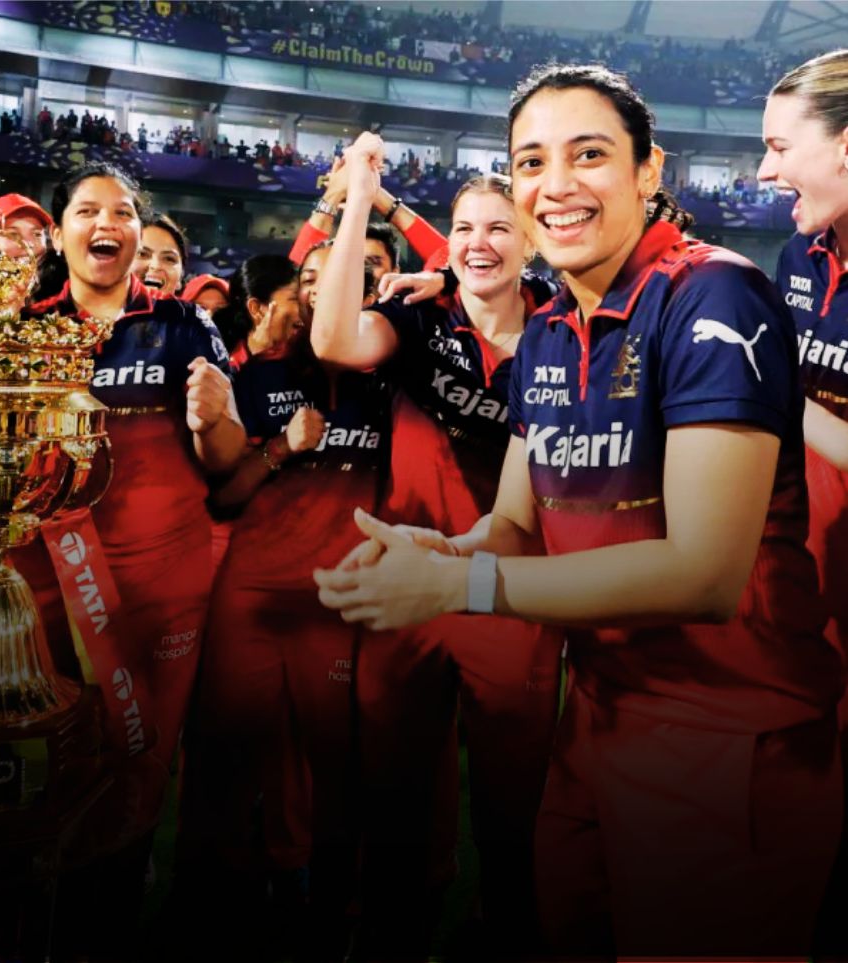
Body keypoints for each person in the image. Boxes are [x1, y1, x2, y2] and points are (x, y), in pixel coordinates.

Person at [317, 63, 843, 959]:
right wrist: (438, 550)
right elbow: (515, 525)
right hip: (595, 720)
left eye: (587, 154)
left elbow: (704, 574)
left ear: (648, 172)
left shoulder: (712, 294)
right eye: (529, 162)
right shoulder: (551, 330)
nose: (552, 186)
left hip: (727, 736)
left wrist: (463, 588)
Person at [312, 135, 562, 956]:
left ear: (529, 242)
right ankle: (392, 930)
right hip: (405, 589)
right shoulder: (417, 317)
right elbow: (332, 343)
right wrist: (358, 199)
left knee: (512, 802)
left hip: (508, 592)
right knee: (393, 793)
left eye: (497, 228)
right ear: (445, 240)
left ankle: (511, 928)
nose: (477, 243)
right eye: (462, 228)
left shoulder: (565, 334)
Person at [23, 162, 244, 957]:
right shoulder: (23, 324)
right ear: (58, 233)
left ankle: (105, 915)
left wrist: (214, 417)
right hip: (45, 584)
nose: (104, 222)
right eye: (86, 210)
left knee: (137, 754)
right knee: (43, 751)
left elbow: (224, 459)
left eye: (121, 210)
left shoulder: (183, 322)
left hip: (160, 587)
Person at [175, 252, 392, 961]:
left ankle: (323, 911)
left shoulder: (390, 380)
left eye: (347, 280)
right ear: (298, 293)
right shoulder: (258, 376)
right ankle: (216, 914)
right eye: (312, 279)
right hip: (254, 595)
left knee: (335, 770)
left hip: (339, 599)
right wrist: (280, 449)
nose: (324, 291)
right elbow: (224, 495)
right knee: (224, 761)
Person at [758, 47, 848, 955]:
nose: (763, 169)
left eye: (780, 146)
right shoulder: (797, 253)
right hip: (808, 575)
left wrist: (778, 394)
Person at [290, 150, 448, 269]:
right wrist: (335, 193)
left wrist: (374, 192)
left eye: (373, 262)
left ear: (395, 270)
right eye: (353, 263)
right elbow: (302, 272)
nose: (362, 271)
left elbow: (451, 261)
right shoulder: (320, 308)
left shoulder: (412, 310)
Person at [132, 212, 187, 297]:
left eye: (169, 259)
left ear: (180, 278)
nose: (155, 266)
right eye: (142, 254)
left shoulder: (195, 310)